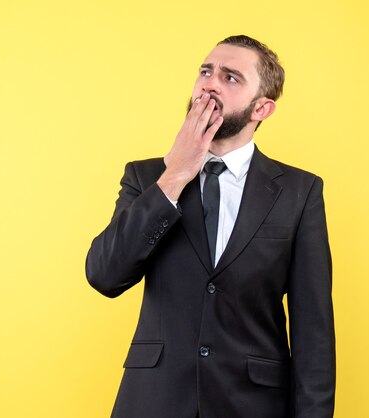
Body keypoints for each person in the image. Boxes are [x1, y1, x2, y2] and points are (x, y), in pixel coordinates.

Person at [85, 35, 335, 418]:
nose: (211, 83)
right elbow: (105, 275)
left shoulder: (299, 192)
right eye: (206, 71)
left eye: (231, 77)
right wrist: (176, 175)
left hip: (252, 405)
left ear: (262, 108)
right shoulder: (147, 177)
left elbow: (313, 331)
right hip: (155, 402)